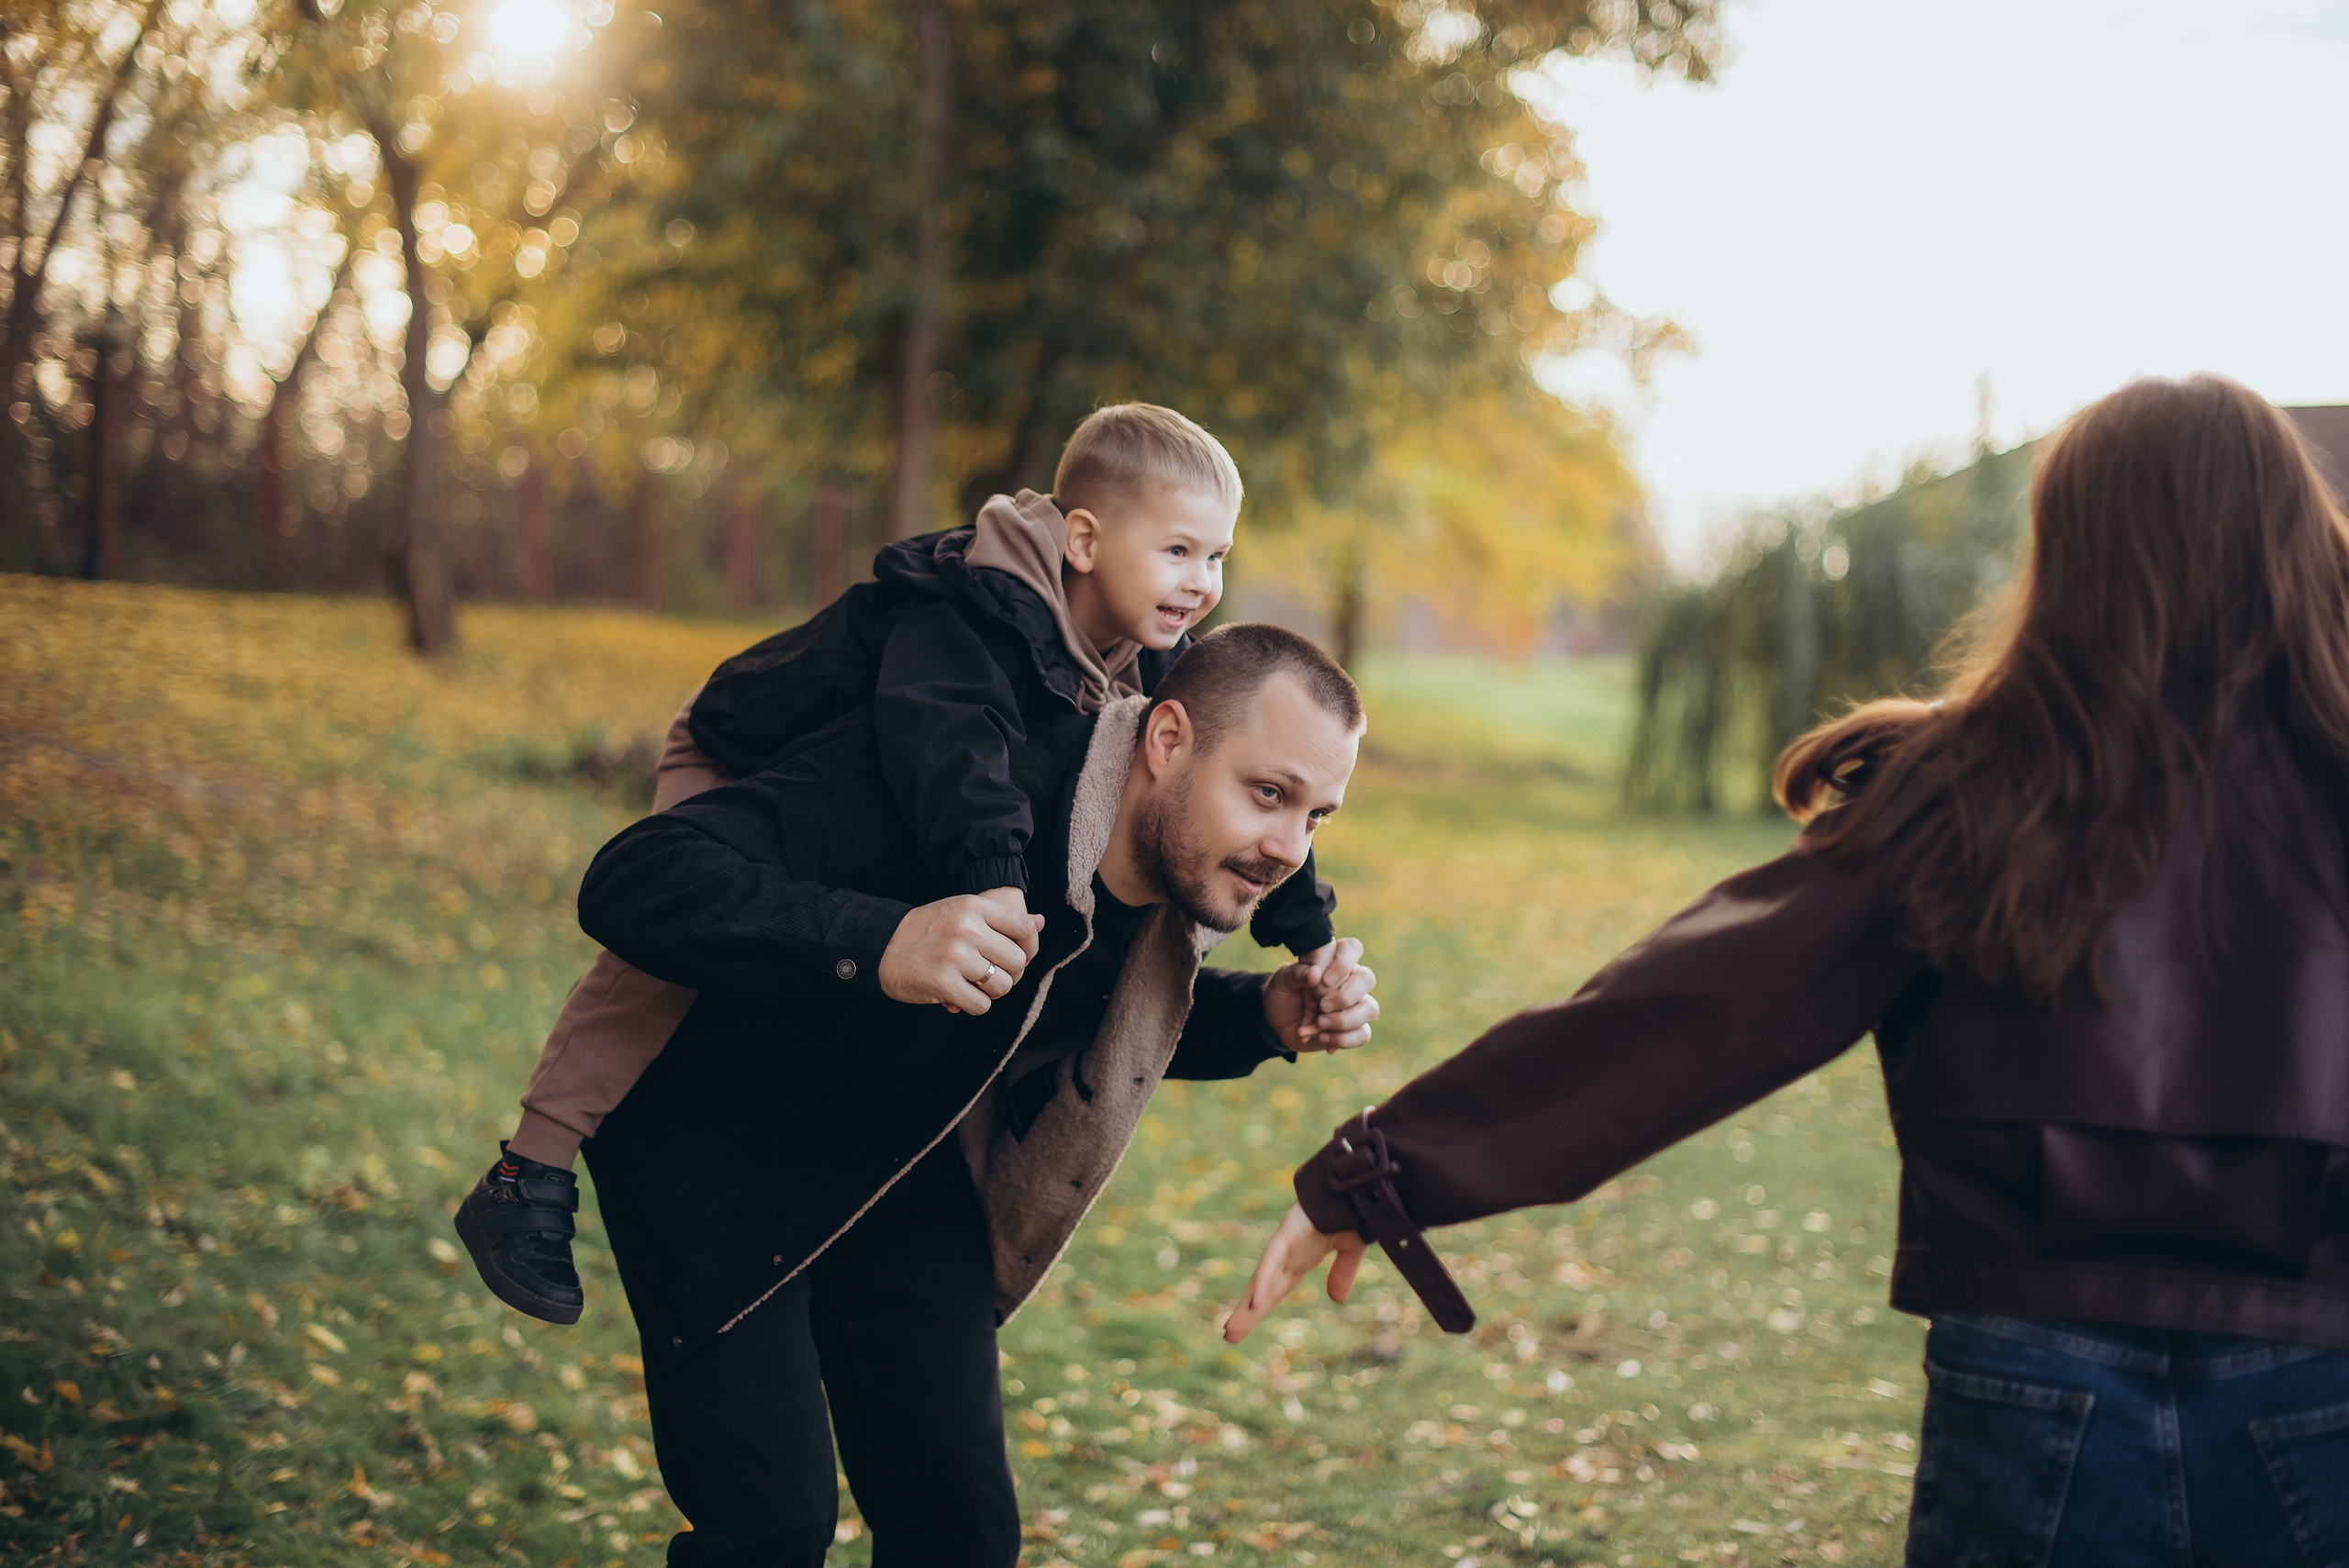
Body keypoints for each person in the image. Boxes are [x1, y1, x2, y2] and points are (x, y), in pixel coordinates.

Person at [1223, 375, 2349, 1564]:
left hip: (2038, 1374)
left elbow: (1688, 1011)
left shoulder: (1973, 794)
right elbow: (1702, 1011)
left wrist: (1379, 1170)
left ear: (2068, 554)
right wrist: (1385, 1173)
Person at [455, 405, 1356, 1323]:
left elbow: (1246, 789)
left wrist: (1308, 936)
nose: (1202, 584)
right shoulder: (968, 611)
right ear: (1083, 539)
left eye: (1217, 558)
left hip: (894, 821)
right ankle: (533, 1164)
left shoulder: (1153, 656)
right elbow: (954, 757)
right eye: (1178, 551)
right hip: (748, 747)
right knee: (663, 952)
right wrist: (999, 884)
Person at [567, 623, 1377, 1565]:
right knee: (771, 1532)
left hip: (907, 1157)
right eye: (1268, 792)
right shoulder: (959, 791)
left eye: (1316, 814)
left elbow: (1065, 1002)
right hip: (722, 1147)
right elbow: (635, 879)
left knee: (960, 1532)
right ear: (1165, 740)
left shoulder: (1164, 881)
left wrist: (1263, 1017)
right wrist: (884, 940)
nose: (1287, 846)